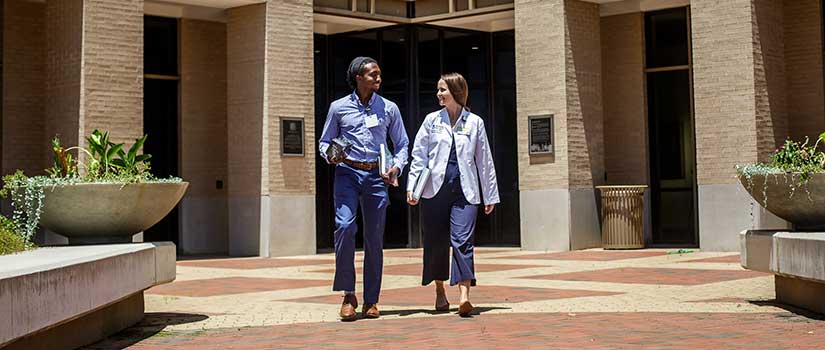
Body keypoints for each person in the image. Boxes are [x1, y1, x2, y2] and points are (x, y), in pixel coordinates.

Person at [318, 57, 409, 321]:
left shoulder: (389, 108)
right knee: (345, 227)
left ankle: (371, 299)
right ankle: (348, 294)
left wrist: (397, 167)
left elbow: (402, 144)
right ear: (358, 77)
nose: (378, 78)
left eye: (379, 74)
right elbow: (324, 142)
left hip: (376, 176)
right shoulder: (339, 108)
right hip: (347, 172)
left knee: (374, 238)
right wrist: (330, 155)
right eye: (373, 74)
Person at [406, 73, 499, 317]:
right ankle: (439, 292)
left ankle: (464, 296)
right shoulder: (431, 121)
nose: (438, 94)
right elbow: (419, 156)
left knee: (463, 240)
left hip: (465, 190)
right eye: (438, 90)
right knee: (436, 241)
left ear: (456, 92)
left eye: (442, 90)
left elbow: (484, 161)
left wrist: (490, 195)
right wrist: (412, 187)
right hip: (435, 190)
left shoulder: (474, 122)